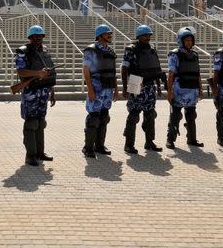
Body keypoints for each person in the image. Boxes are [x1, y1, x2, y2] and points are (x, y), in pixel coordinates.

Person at [14, 25, 56, 166]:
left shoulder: (45, 50)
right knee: (31, 123)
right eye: (35, 36)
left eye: (41, 36)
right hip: (30, 91)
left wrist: (52, 91)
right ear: (30, 38)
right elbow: (21, 71)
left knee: (40, 122)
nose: (39, 39)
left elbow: (49, 71)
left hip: (44, 91)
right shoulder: (23, 52)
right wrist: (37, 73)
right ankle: (30, 155)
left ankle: (40, 152)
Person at [122, 24, 164, 154]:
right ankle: (129, 145)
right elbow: (124, 68)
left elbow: (156, 67)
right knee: (134, 115)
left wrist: (158, 86)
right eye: (145, 35)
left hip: (150, 84)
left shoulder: (152, 48)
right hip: (136, 82)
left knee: (150, 114)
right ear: (139, 36)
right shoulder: (131, 49)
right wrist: (125, 88)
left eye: (149, 35)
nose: (148, 37)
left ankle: (149, 142)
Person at [82, 24, 118, 158]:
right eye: (107, 33)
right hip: (96, 88)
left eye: (110, 33)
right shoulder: (91, 50)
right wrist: (90, 90)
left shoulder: (110, 51)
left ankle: (100, 146)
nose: (110, 35)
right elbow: (86, 71)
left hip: (108, 88)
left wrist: (116, 89)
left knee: (104, 117)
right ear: (100, 36)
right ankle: (88, 147)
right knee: (93, 119)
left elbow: (113, 72)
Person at [165, 27, 204, 149]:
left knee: (191, 116)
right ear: (181, 41)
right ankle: (170, 140)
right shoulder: (174, 54)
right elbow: (171, 74)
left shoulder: (195, 55)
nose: (189, 42)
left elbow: (197, 74)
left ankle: (192, 139)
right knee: (175, 116)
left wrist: (201, 89)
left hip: (192, 90)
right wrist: (169, 92)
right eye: (187, 40)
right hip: (179, 90)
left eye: (191, 40)